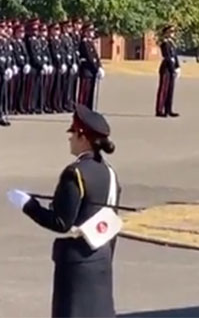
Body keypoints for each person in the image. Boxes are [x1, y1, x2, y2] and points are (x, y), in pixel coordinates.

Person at [6, 103, 121, 317]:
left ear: (82, 137)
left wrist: (28, 205)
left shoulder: (74, 173)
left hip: (76, 263)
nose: (69, 138)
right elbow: (111, 221)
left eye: (73, 133)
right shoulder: (109, 173)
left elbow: (61, 222)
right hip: (102, 258)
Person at [155, 24, 180, 117]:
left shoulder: (172, 43)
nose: (173, 33)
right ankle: (159, 110)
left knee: (170, 89)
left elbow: (175, 56)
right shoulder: (165, 43)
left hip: (172, 67)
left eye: (173, 32)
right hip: (166, 67)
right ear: (166, 33)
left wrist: (177, 67)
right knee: (163, 89)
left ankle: (168, 109)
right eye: (171, 31)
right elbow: (168, 56)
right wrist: (172, 68)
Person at [77, 23, 103, 110]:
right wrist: (97, 67)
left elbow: (96, 56)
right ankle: (81, 109)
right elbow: (90, 58)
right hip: (86, 71)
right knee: (84, 93)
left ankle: (88, 109)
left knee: (90, 93)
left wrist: (100, 67)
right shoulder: (84, 43)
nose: (92, 33)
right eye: (90, 31)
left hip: (92, 71)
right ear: (86, 32)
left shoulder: (90, 42)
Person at [0, 21, 12, 126]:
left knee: (2, 94)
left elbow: (8, 56)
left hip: (3, 71)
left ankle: (2, 114)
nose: (4, 30)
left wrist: (9, 67)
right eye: (2, 27)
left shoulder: (5, 41)